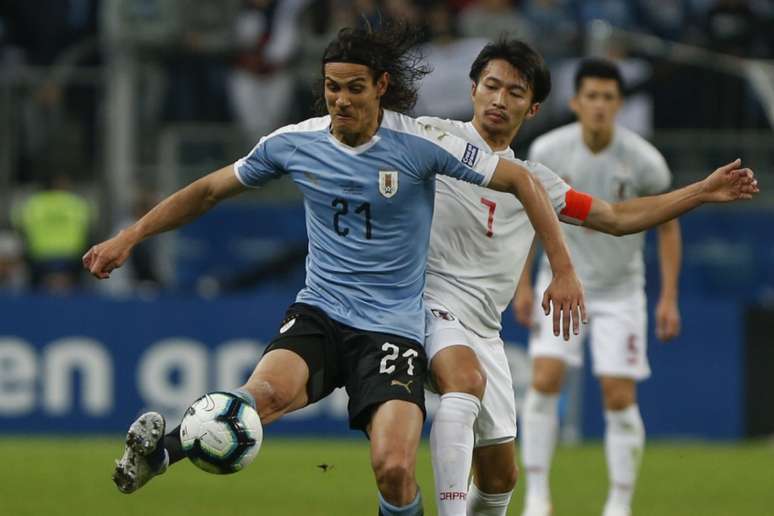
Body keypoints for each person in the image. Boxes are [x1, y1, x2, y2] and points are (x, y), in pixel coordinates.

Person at [83, 23, 587, 516]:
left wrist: (562, 269)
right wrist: (130, 235)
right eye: (330, 88)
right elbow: (209, 190)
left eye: (353, 88)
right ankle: (162, 453)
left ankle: (167, 450)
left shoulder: (418, 144)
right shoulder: (295, 143)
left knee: (393, 468)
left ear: (381, 88)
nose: (340, 100)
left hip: (393, 330)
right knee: (263, 395)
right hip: (321, 312)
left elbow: (522, 179)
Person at [415, 42, 758, 516]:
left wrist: (699, 191)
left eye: (514, 92)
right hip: (429, 308)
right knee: (464, 390)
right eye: (490, 86)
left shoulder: (537, 179)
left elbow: (614, 216)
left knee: (499, 478)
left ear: (532, 107)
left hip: (489, 328)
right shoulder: (433, 138)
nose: (498, 100)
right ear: (473, 90)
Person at [513, 59, 700, 516]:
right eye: (591, 96)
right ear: (576, 102)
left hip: (620, 290)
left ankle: (619, 504)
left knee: (618, 394)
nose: (599, 105)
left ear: (618, 104)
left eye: (608, 97)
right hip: (562, 285)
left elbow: (668, 226)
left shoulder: (643, 160)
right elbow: (531, 223)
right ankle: (538, 497)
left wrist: (668, 296)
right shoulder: (549, 150)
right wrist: (521, 284)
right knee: (544, 379)